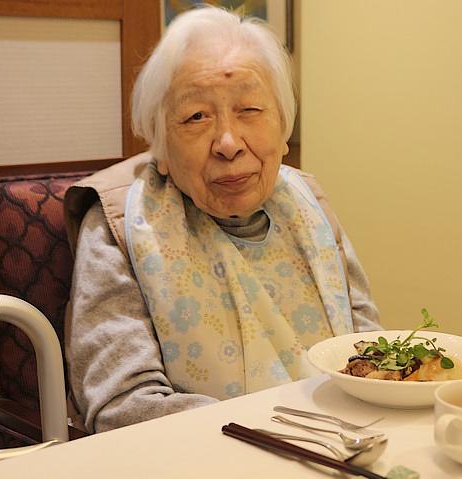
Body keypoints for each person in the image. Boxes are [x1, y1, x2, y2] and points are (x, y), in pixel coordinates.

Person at [63, 6, 380, 434]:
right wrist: (283, 433)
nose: (229, 143)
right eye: (196, 116)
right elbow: (122, 405)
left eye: (250, 109)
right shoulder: (118, 225)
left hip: (344, 448)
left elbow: (372, 356)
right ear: (159, 141)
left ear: (283, 127)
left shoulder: (311, 204)